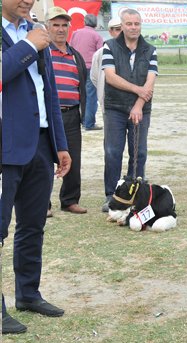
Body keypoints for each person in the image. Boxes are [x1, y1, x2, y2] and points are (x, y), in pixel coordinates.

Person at [2, 0, 71, 334]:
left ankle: (28, 294)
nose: (27, 1)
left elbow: (49, 91)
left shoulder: (35, 32)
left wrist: (59, 144)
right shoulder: (33, 38)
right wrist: (29, 45)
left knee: (32, 226)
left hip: (40, 145)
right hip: (6, 147)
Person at [101, 9, 158, 212]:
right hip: (115, 107)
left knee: (139, 153)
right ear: (122, 25)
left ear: (140, 25)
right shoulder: (109, 46)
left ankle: (136, 193)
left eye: (136, 23)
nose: (133, 27)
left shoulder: (151, 50)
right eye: (129, 23)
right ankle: (111, 195)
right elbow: (110, 77)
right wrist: (137, 90)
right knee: (113, 152)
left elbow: (150, 82)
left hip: (142, 109)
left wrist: (138, 105)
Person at [47, 7, 88, 214]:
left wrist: (84, 113)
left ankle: (70, 200)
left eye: (64, 25)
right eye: (56, 25)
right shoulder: (42, 52)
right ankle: (43, 204)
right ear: (48, 27)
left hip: (71, 114)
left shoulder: (75, 55)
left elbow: (83, 84)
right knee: (44, 159)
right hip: (46, 116)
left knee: (74, 158)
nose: (60, 29)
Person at [69, 14, 103, 131]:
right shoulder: (97, 36)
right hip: (91, 67)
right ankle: (88, 123)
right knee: (91, 96)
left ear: (84, 22)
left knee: (79, 95)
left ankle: (81, 120)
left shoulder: (75, 33)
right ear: (95, 23)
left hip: (76, 66)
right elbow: (100, 54)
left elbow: (70, 48)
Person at [91, 17, 123, 114]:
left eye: (123, 29)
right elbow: (95, 77)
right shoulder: (100, 53)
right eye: (117, 30)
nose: (121, 33)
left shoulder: (134, 51)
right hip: (109, 102)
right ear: (111, 32)